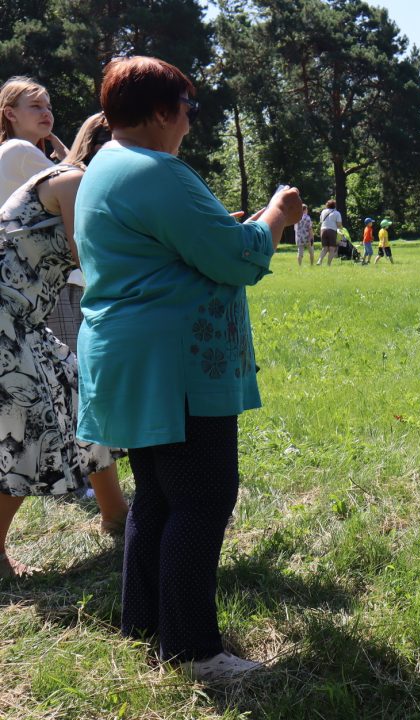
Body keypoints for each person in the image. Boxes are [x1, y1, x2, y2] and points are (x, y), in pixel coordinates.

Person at [74, 56, 303, 682]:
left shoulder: (104, 167)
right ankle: (195, 651)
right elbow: (233, 258)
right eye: (188, 109)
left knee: (160, 496)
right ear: (156, 111)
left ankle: (145, 624)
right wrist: (277, 216)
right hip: (173, 364)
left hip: (131, 359)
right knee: (202, 498)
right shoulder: (157, 171)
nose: (191, 124)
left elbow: (171, 245)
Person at [0, 112, 130, 578]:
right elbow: (86, 253)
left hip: (23, 318)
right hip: (4, 315)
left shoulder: (75, 183)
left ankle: (116, 517)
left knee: (79, 401)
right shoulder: (72, 180)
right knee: (27, 424)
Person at [0, 76, 70, 203]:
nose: (46, 113)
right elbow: (82, 189)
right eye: (36, 106)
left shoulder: (11, 150)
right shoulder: (21, 150)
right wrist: (66, 155)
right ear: (10, 114)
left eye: (49, 108)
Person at [317, 199, 341, 266]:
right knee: (332, 248)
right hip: (332, 231)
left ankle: (319, 260)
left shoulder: (323, 211)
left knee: (325, 248)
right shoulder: (337, 213)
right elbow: (339, 224)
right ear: (334, 205)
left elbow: (321, 221)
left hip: (323, 230)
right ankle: (328, 264)